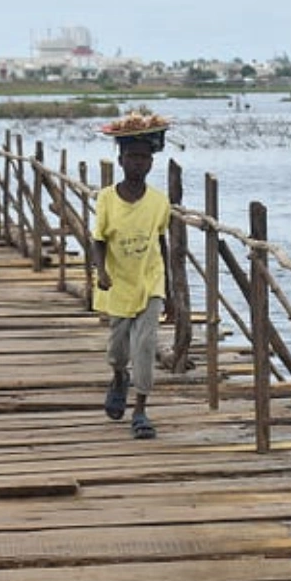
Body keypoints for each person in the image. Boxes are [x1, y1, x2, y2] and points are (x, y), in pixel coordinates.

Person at [92, 121, 172, 439]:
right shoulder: (107, 199)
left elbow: (161, 242)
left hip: (150, 280)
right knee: (118, 349)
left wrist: (171, 292)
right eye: (132, 157)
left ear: (151, 162)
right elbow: (98, 240)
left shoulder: (159, 202)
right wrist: (101, 272)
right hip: (118, 282)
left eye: (144, 158)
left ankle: (140, 409)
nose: (138, 163)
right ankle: (118, 376)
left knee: (145, 345)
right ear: (121, 160)